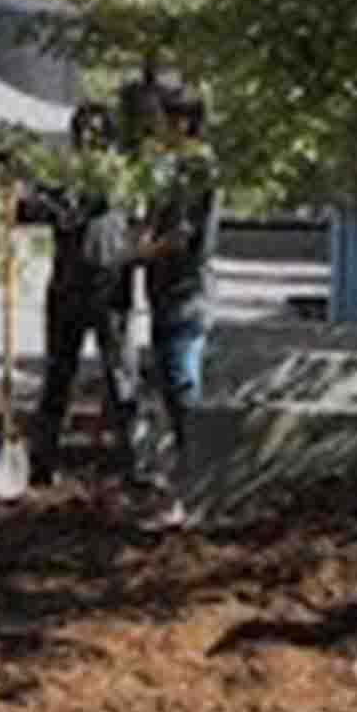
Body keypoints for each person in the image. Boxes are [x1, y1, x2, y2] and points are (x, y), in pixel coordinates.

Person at [17, 102, 139, 487]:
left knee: (120, 378)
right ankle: (43, 463)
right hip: (67, 289)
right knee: (57, 377)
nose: (89, 140)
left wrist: (53, 201)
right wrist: (19, 188)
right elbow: (30, 210)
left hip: (110, 288)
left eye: (97, 133)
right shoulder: (63, 177)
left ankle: (131, 464)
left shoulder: (118, 178)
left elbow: (82, 209)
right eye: (83, 133)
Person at [133, 87, 220, 525]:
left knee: (184, 397)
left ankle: (193, 496)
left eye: (164, 119)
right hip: (169, 295)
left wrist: (139, 251)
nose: (159, 128)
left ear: (182, 121)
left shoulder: (194, 169)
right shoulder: (174, 170)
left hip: (185, 295)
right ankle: (182, 493)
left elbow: (181, 235)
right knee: (172, 393)